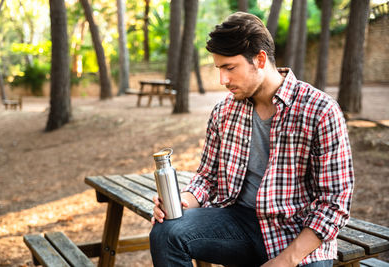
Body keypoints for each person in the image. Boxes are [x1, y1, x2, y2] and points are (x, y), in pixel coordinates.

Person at [150, 12, 354, 267]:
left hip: (298, 238)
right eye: (219, 69)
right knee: (166, 232)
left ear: (259, 59)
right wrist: (181, 201)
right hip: (239, 225)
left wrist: (285, 260)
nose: (223, 80)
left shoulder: (320, 110)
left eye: (229, 68)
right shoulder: (224, 111)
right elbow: (207, 178)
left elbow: (334, 204)